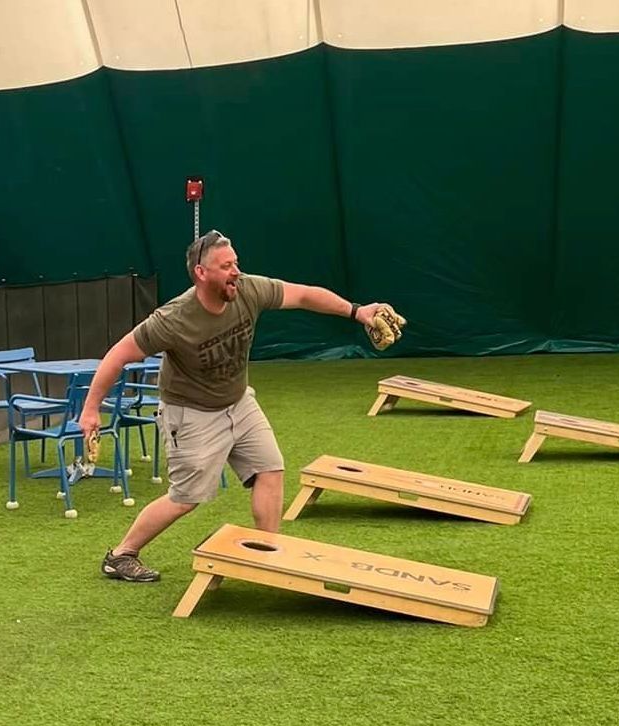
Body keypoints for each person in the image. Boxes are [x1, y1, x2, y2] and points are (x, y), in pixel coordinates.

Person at [78, 229, 400, 583]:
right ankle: (121, 555)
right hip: (191, 413)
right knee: (186, 498)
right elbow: (119, 354)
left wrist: (357, 312)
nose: (236, 272)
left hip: (238, 401)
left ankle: (267, 555)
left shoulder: (248, 289)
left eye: (236, 263)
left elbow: (305, 295)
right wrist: (92, 409)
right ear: (201, 273)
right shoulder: (174, 319)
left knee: (270, 469)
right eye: (226, 266)